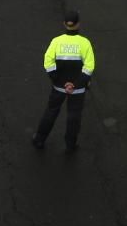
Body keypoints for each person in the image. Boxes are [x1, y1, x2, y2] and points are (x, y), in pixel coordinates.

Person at [33, 11, 96, 152]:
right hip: (77, 90)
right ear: (78, 24)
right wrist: (76, 84)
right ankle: (70, 145)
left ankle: (39, 140)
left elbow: (48, 62)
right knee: (74, 117)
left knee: (51, 112)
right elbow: (89, 66)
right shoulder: (84, 43)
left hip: (58, 87)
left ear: (64, 24)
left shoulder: (56, 41)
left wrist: (59, 81)